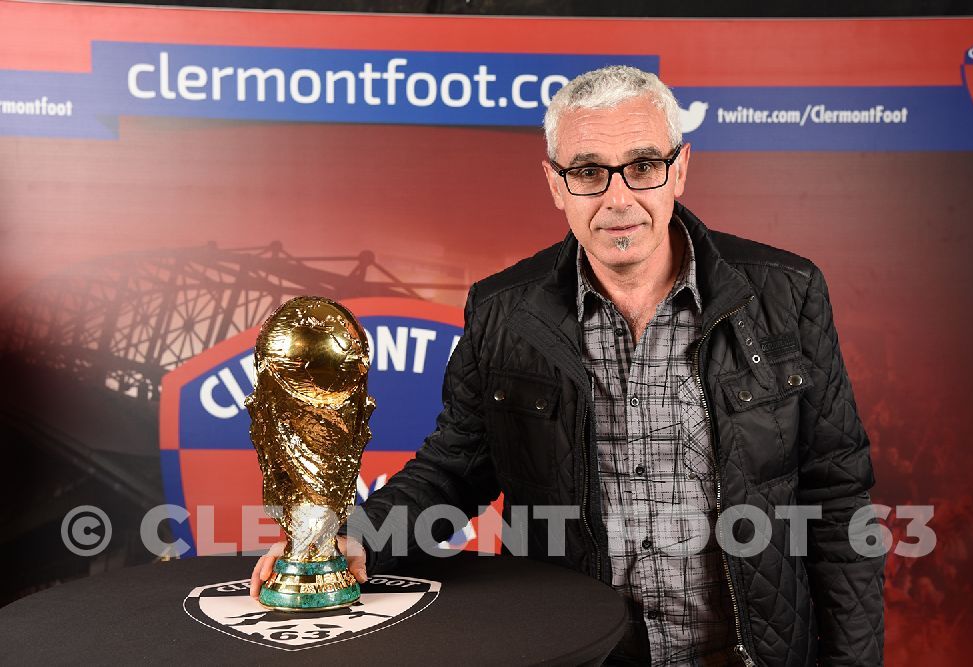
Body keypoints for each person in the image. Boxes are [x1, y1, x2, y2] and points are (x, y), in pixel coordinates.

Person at [251, 66, 884, 666]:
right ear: (556, 184)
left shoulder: (785, 292)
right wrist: (356, 535)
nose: (618, 199)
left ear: (680, 169)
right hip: (577, 652)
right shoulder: (503, 311)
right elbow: (455, 464)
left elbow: (837, 495)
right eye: (588, 172)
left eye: (643, 166)